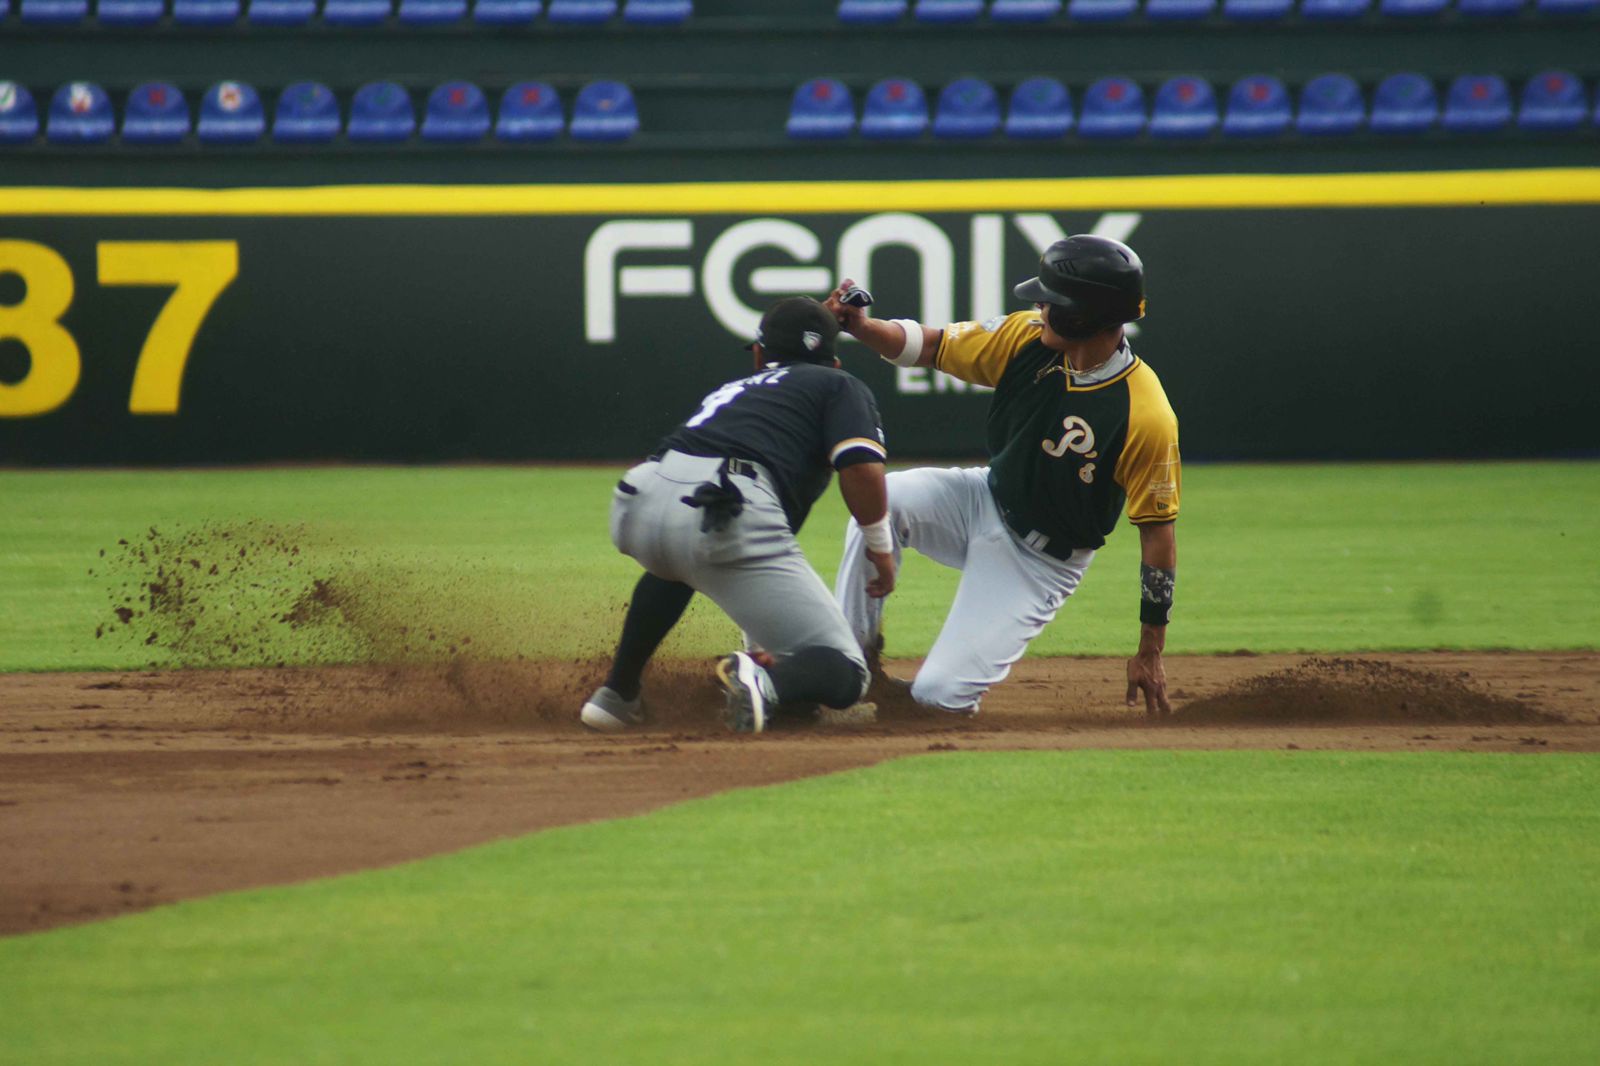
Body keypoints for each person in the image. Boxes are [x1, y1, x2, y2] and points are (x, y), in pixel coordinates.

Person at [827, 235, 1181, 717]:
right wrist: (863, 327)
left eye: (1052, 300)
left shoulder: (1145, 413)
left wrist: (1150, 651)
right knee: (881, 501)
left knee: (938, 700)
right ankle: (849, 672)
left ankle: (923, 698)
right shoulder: (1027, 337)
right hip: (982, 498)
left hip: (1039, 562)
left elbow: (1158, 539)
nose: (1040, 306)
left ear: (1084, 316)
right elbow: (931, 346)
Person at [580, 296, 897, 734]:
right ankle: (763, 680)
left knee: (676, 566)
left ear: (759, 353)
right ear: (835, 362)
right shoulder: (839, 385)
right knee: (847, 672)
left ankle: (617, 694)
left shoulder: (734, 390)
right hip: (725, 507)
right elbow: (860, 467)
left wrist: (813, 320)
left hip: (641, 495)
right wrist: (880, 546)